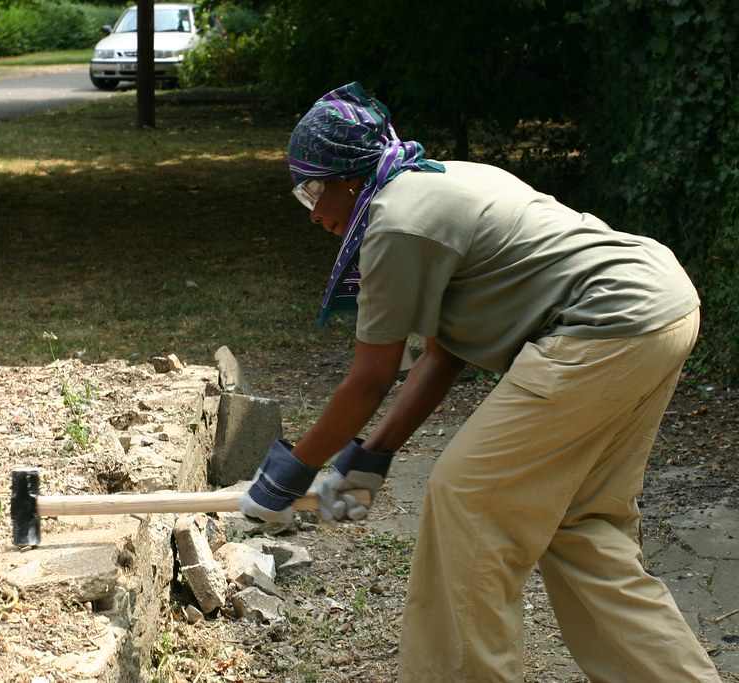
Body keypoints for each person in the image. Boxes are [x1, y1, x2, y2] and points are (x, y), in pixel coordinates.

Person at [239, 82, 720, 682]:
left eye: (312, 189)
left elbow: (370, 376)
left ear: (349, 178)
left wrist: (287, 475)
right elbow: (443, 354)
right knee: (580, 525)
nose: (312, 211)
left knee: (466, 501)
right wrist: (370, 457)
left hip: (603, 324)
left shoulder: (396, 224)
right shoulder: (438, 181)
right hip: (659, 305)